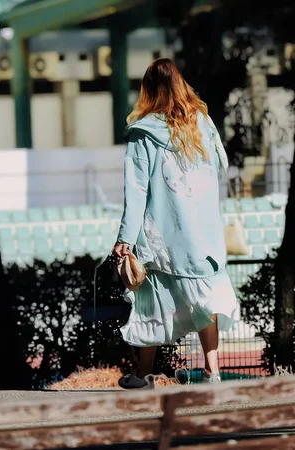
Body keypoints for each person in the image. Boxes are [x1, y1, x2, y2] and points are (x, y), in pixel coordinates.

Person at [113, 58, 240, 389]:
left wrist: (124, 239)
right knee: (204, 303)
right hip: (204, 236)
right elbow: (222, 165)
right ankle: (213, 373)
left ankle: (143, 375)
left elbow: (136, 190)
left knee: (149, 302)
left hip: (162, 240)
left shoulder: (145, 132)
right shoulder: (202, 123)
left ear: (149, 90)